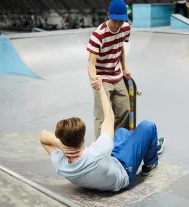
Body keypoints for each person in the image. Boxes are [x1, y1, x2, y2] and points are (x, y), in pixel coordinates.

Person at [39, 83, 166, 192]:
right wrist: (100, 88)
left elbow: (42, 136)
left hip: (107, 165)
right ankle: (150, 162)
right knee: (148, 126)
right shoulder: (98, 151)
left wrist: (59, 144)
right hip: (123, 172)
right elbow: (109, 116)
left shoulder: (60, 163)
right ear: (83, 138)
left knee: (122, 132)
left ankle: (150, 146)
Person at [87, 0, 132, 139]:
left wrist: (125, 68)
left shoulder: (126, 28)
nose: (118, 25)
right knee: (103, 115)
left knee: (125, 110)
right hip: (102, 77)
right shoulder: (98, 35)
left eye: (121, 21)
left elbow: (121, 47)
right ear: (108, 15)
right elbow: (91, 63)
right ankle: (100, 149)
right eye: (115, 21)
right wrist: (93, 78)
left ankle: (115, 141)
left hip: (117, 76)